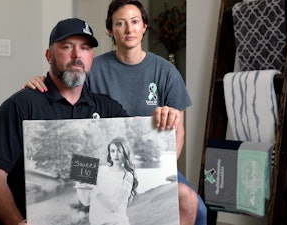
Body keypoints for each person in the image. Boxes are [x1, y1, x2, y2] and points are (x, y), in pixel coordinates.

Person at [23, 1, 207, 224]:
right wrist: (39, 82)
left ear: (144, 27)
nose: (129, 30)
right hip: (102, 164)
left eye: (135, 22)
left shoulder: (166, 71)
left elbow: (179, 133)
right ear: (110, 30)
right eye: (121, 23)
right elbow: (64, 89)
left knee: (197, 208)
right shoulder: (92, 68)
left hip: (143, 163)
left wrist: (162, 167)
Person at [0, 17, 175, 225]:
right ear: (49, 55)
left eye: (85, 48)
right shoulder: (22, 105)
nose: (77, 56)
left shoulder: (108, 109)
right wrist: (17, 223)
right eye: (67, 47)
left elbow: (133, 143)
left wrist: (164, 119)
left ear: (91, 57)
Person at [75, 137, 137, 225]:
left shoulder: (127, 176)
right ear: (109, 153)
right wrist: (80, 182)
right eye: (112, 151)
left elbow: (114, 207)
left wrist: (95, 189)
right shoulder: (102, 170)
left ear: (125, 152)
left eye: (119, 151)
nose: (116, 154)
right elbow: (86, 201)